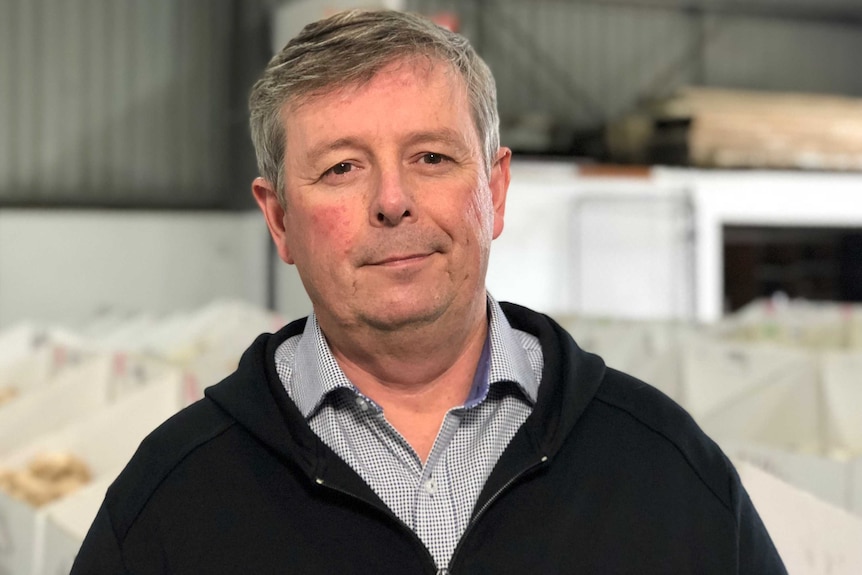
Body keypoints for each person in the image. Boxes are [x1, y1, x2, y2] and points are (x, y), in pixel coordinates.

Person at [72, 9, 786, 574]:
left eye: (432, 157)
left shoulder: (664, 470)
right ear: (280, 219)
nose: (392, 200)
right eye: (343, 168)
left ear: (495, 191)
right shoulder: (169, 503)